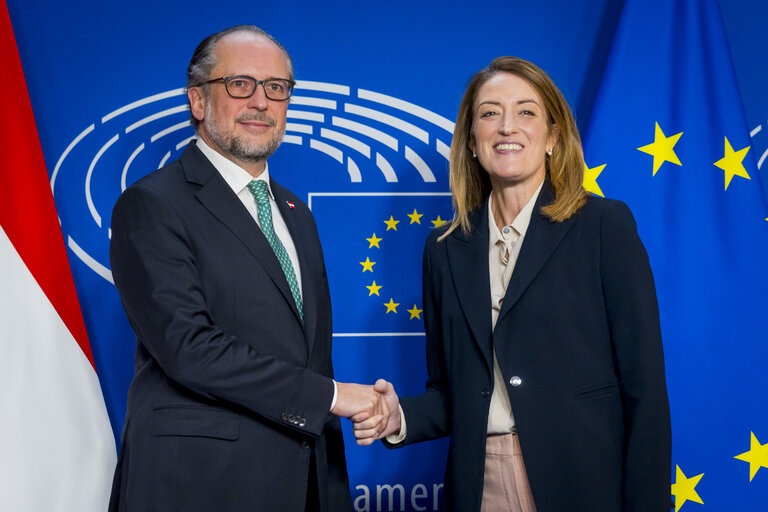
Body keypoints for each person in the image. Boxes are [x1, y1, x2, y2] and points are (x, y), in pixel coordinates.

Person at [355, 57, 671, 511]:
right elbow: (453, 392)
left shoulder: (604, 227)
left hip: (584, 482)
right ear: (470, 141)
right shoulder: (443, 250)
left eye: (526, 111)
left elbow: (646, 395)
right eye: (489, 113)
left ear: (552, 137)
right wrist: (398, 415)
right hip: (480, 483)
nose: (507, 126)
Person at [108, 25, 388, 512]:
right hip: (199, 485)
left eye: (276, 88)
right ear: (198, 101)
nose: (261, 101)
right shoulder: (152, 204)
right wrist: (333, 397)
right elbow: (189, 349)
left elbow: (306, 356)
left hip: (305, 483)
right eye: (240, 84)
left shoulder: (296, 213)